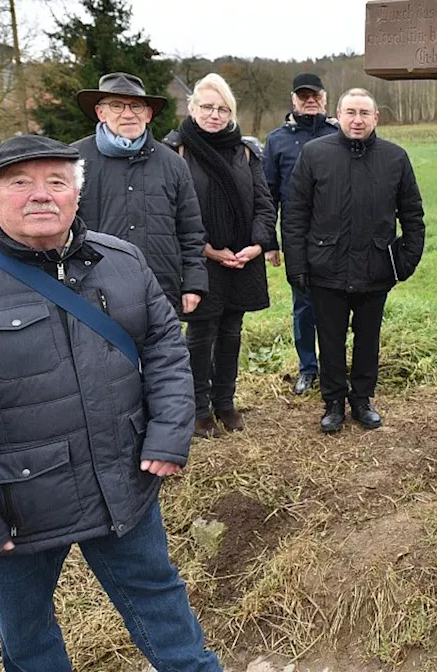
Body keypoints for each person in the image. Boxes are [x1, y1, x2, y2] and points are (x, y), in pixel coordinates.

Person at [0, 136, 220, 672]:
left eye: (56, 182)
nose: (40, 195)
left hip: (123, 484)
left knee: (160, 599)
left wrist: (167, 434)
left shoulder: (124, 261)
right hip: (20, 505)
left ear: (76, 195)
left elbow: (164, 351)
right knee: (27, 633)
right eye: (20, 183)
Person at [282, 88, 426, 434]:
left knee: (367, 339)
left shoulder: (395, 158)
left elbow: (412, 215)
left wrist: (405, 261)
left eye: (364, 113)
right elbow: (295, 214)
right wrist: (298, 265)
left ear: (376, 118)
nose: (357, 120)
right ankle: (333, 402)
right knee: (329, 339)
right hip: (325, 268)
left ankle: (362, 400)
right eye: (350, 112)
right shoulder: (315, 155)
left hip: (375, 267)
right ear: (338, 115)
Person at [163, 74, 279, 438]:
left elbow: (264, 203)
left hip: (242, 260)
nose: (215, 115)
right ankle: (198, 409)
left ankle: (225, 402)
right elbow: (171, 212)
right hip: (200, 260)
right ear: (192, 108)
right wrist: (209, 250)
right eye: (208, 107)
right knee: (200, 335)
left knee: (231, 331)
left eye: (223, 109)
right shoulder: (175, 150)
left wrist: (257, 245)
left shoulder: (244, 151)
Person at [72, 72, 207, 316]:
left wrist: (193, 284)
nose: (128, 114)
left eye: (136, 106)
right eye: (116, 105)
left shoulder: (173, 163)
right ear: (100, 113)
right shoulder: (73, 160)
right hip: (92, 290)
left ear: (148, 113)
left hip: (160, 289)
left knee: (162, 354)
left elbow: (191, 230)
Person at [265, 73, 341, 397]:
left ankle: (335, 368)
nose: (310, 101)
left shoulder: (339, 134)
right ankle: (307, 368)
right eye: (303, 96)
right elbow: (267, 194)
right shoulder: (277, 140)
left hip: (338, 235)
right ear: (293, 100)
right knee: (304, 307)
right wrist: (270, 242)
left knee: (337, 306)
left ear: (325, 98)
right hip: (297, 236)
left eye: (315, 95)